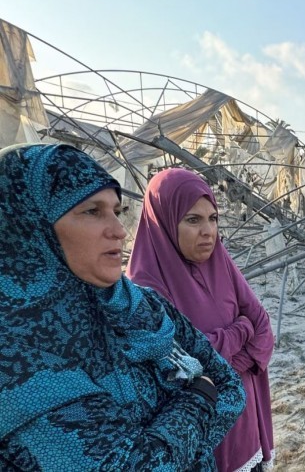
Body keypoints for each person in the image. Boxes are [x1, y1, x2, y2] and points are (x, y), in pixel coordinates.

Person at [0, 143, 245, 471]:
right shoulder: (19, 357)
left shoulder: (137, 304)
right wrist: (198, 397)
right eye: (92, 211)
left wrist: (170, 438)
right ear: (32, 222)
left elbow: (230, 386)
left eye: (116, 211)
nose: (118, 231)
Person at [127, 168, 275, 472]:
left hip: (248, 425)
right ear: (165, 221)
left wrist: (227, 354)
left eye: (213, 218)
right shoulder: (146, 285)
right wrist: (240, 330)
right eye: (193, 220)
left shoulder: (220, 261)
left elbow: (262, 326)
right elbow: (186, 365)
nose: (208, 231)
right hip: (207, 437)